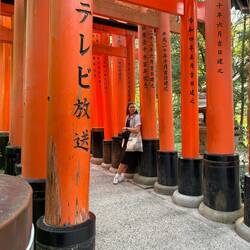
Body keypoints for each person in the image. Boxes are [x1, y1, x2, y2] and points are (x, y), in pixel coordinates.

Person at [113, 102, 143, 184]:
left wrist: (126, 128)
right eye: (130, 107)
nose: (132, 108)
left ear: (136, 108)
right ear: (128, 108)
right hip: (127, 139)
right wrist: (124, 133)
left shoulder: (137, 117)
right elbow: (126, 130)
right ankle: (122, 175)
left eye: (134, 107)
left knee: (125, 159)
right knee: (127, 158)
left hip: (133, 140)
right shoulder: (127, 117)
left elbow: (137, 130)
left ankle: (116, 176)